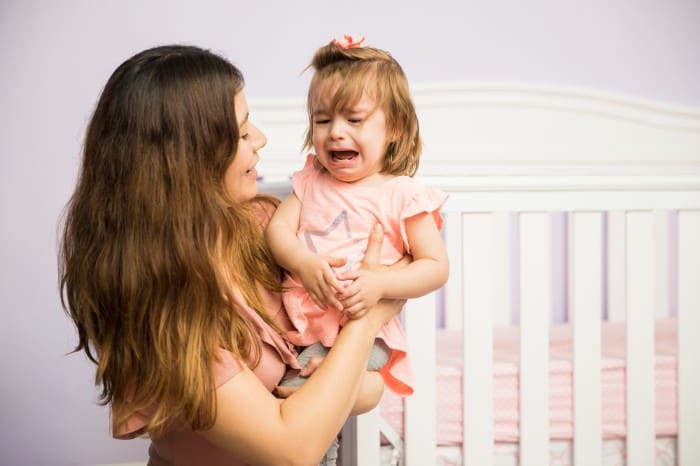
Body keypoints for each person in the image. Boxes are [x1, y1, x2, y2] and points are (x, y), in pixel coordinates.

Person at [58, 44, 406, 466]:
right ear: (188, 159)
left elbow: (368, 386)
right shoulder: (161, 303)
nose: (260, 139)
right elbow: (292, 448)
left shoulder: (263, 226)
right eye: (241, 133)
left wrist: (335, 382)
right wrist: (366, 318)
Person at [266, 35, 449, 459]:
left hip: (362, 330)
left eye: (354, 119)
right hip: (299, 325)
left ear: (395, 129)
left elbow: (435, 266)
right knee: (285, 392)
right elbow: (277, 231)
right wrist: (303, 262)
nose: (336, 133)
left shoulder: (402, 195)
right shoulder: (310, 182)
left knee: (301, 400)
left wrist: (380, 283)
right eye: (323, 120)